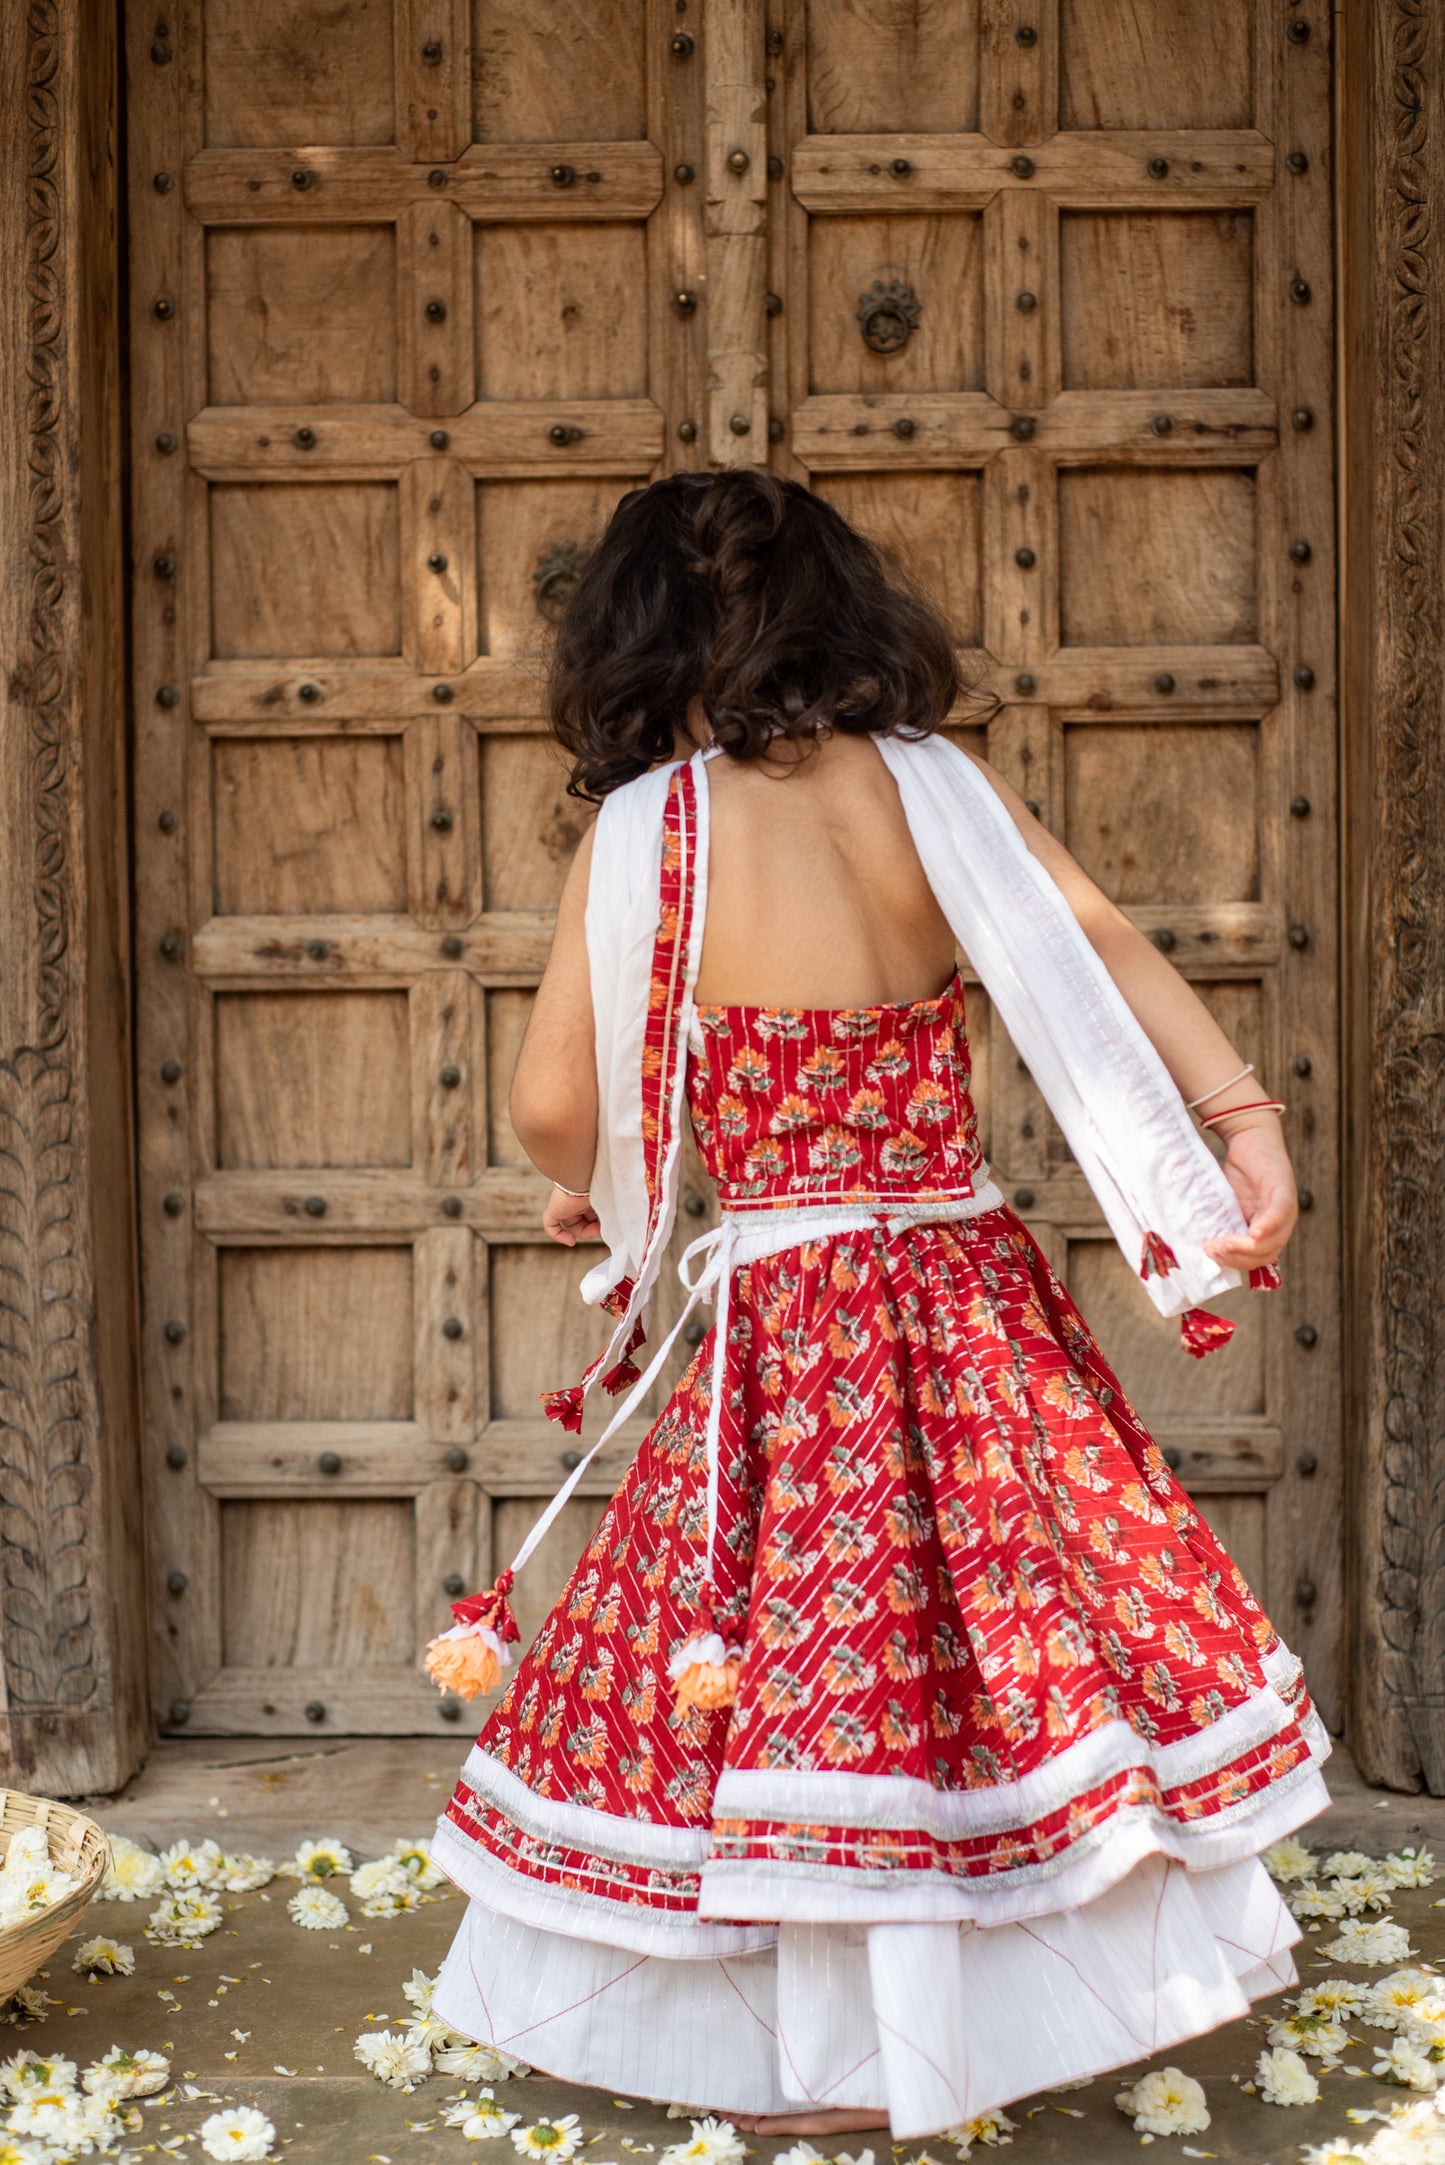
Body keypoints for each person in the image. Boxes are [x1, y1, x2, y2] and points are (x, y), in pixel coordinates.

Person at [426, 469, 1330, 2140]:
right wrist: (1239, 1120)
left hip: (792, 1314)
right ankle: (984, 2012)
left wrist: (615, 1159)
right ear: (845, 610)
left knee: (795, 1647)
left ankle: (821, 2044)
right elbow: (1099, 951)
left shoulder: (652, 830)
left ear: (630, 641)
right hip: (962, 1287)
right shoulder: (932, 787)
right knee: (990, 1626)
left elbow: (560, 1113)